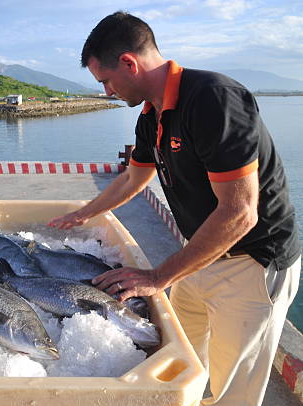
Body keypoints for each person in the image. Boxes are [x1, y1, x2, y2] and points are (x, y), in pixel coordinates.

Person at [48, 11, 300, 406]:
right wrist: (83, 213)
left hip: (250, 261)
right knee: (181, 358)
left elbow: (240, 212)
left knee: (235, 383)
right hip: (199, 254)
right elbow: (134, 179)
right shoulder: (151, 114)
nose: (108, 92)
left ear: (129, 63)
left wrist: (158, 277)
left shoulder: (213, 99)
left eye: (106, 81)